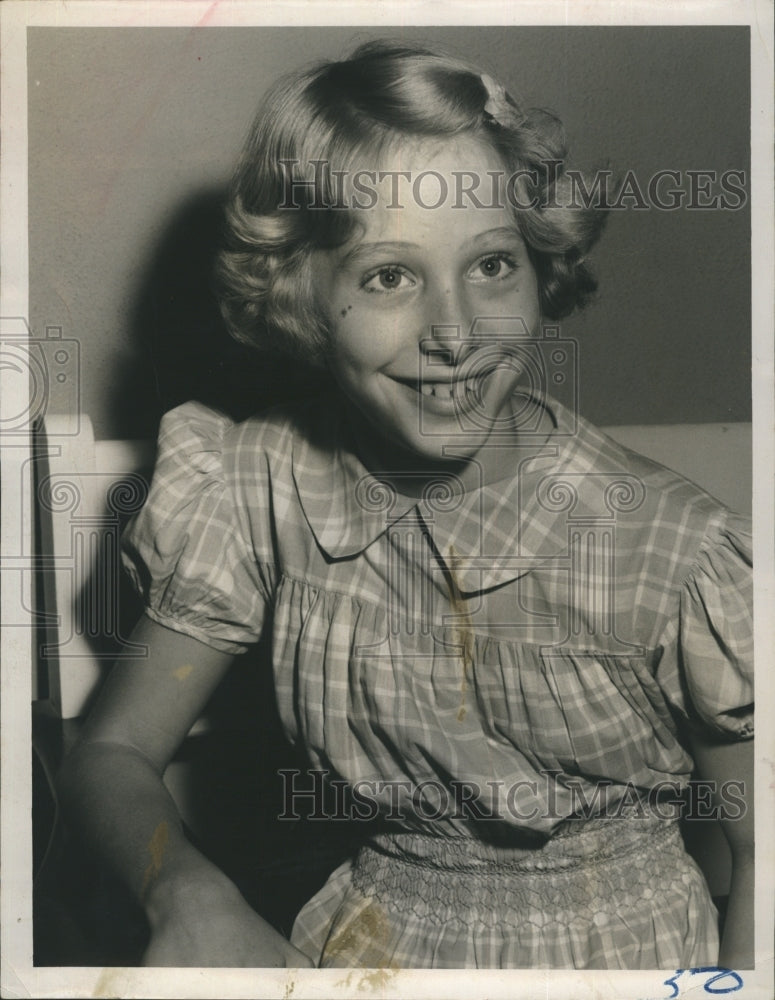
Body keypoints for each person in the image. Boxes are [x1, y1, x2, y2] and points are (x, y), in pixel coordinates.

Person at [56, 39, 754, 970]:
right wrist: (185, 889)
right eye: (388, 276)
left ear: (539, 266)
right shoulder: (256, 483)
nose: (455, 333)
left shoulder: (670, 545)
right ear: (300, 292)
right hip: (371, 951)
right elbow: (111, 751)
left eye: (492, 265)